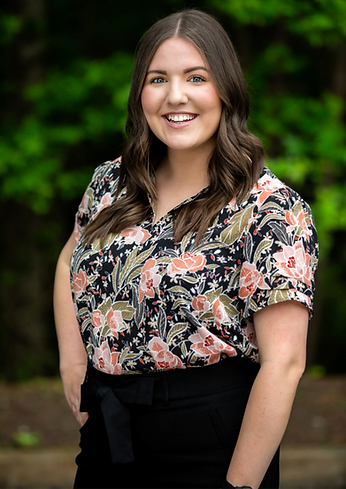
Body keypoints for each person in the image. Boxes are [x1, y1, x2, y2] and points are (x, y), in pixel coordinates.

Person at [53, 9, 318, 489]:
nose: (175, 96)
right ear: (140, 93)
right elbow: (69, 257)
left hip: (211, 437)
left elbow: (285, 365)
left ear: (226, 90)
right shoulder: (112, 182)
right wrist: (73, 363)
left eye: (196, 77)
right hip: (108, 431)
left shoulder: (269, 208)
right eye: (158, 79)